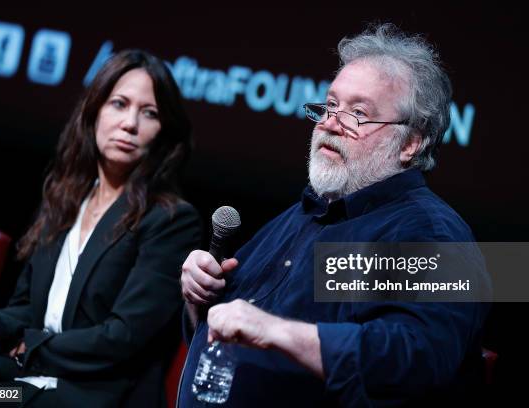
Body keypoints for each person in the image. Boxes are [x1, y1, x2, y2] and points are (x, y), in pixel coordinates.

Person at [179, 24, 490, 407]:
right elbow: (219, 333)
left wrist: (275, 331)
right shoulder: (303, 214)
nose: (329, 122)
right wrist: (200, 298)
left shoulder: (427, 233)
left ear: (411, 142)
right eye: (330, 105)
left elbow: (414, 359)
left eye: (358, 113)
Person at [0, 49, 201, 407]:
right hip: (30, 375)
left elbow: (123, 337)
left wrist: (33, 346)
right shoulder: (66, 199)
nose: (130, 123)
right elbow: (29, 308)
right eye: (119, 104)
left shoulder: (170, 220)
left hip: (92, 393)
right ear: (95, 110)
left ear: (164, 133)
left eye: (149, 113)